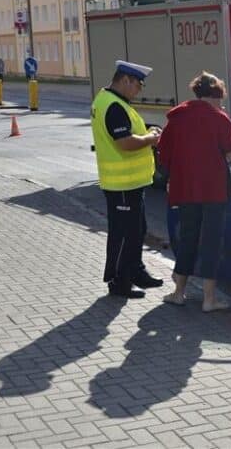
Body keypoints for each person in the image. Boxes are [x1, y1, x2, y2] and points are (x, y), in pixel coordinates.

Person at [158, 72, 231, 312]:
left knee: (188, 239)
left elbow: (163, 154)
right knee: (212, 241)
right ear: (216, 95)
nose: (222, 104)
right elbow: (230, 153)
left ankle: (179, 292)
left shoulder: (177, 117)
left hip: (186, 189)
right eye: (221, 99)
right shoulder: (220, 118)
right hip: (214, 191)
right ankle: (209, 299)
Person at [91, 60, 163, 299]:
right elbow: (125, 142)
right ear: (125, 80)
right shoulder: (113, 106)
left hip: (131, 183)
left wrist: (147, 133)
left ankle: (136, 272)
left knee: (136, 230)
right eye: (138, 85)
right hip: (120, 184)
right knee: (123, 235)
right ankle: (119, 282)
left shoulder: (114, 102)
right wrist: (151, 139)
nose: (139, 90)